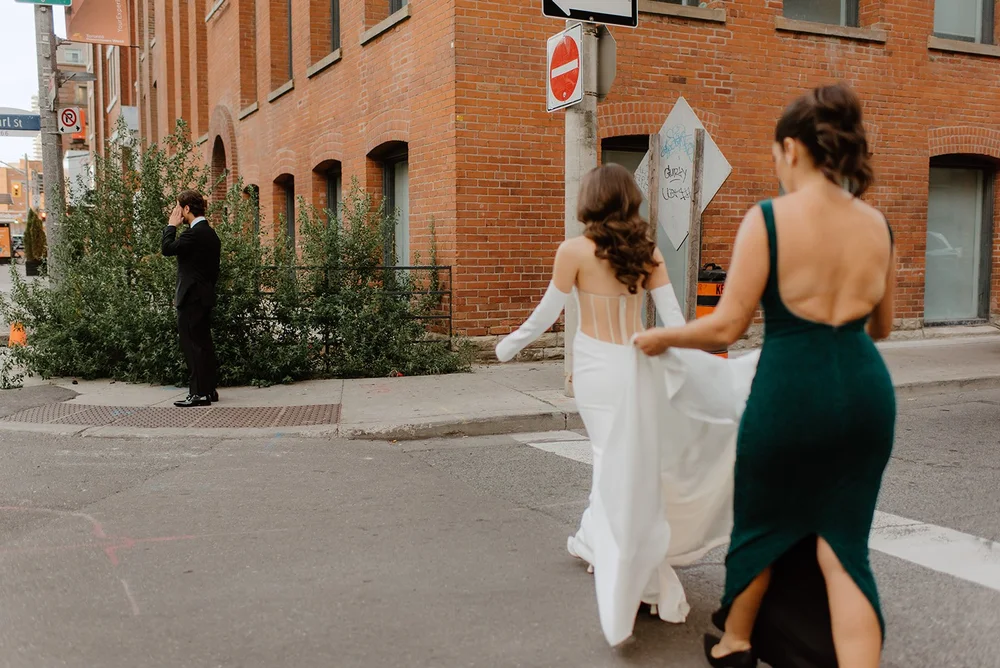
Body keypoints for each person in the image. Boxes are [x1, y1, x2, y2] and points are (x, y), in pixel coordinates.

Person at [635, 83, 895, 668]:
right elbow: (882, 327)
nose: (776, 165)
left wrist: (660, 336)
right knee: (844, 550)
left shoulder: (769, 220)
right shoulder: (877, 226)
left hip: (790, 392)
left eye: (776, 154)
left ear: (792, 149)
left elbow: (726, 327)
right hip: (864, 393)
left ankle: (735, 642)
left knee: (761, 529)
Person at [496, 164, 759, 647]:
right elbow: (676, 320)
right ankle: (603, 544)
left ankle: (627, 563)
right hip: (639, 364)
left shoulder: (572, 251)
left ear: (590, 201)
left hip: (596, 369)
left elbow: (546, 314)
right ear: (630, 201)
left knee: (609, 459)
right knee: (628, 461)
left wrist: (507, 347)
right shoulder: (647, 252)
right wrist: (699, 369)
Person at [162, 190, 222, 408]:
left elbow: (167, 249)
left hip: (190, 298)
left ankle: (198, 394)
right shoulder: (211, 234)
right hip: (204, 297)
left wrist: (171, 226)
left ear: (186, 209)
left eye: (179, 207)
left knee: (192, 346)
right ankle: (209, 390)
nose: (177, 212)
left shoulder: (192, 234)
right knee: (204, 345)